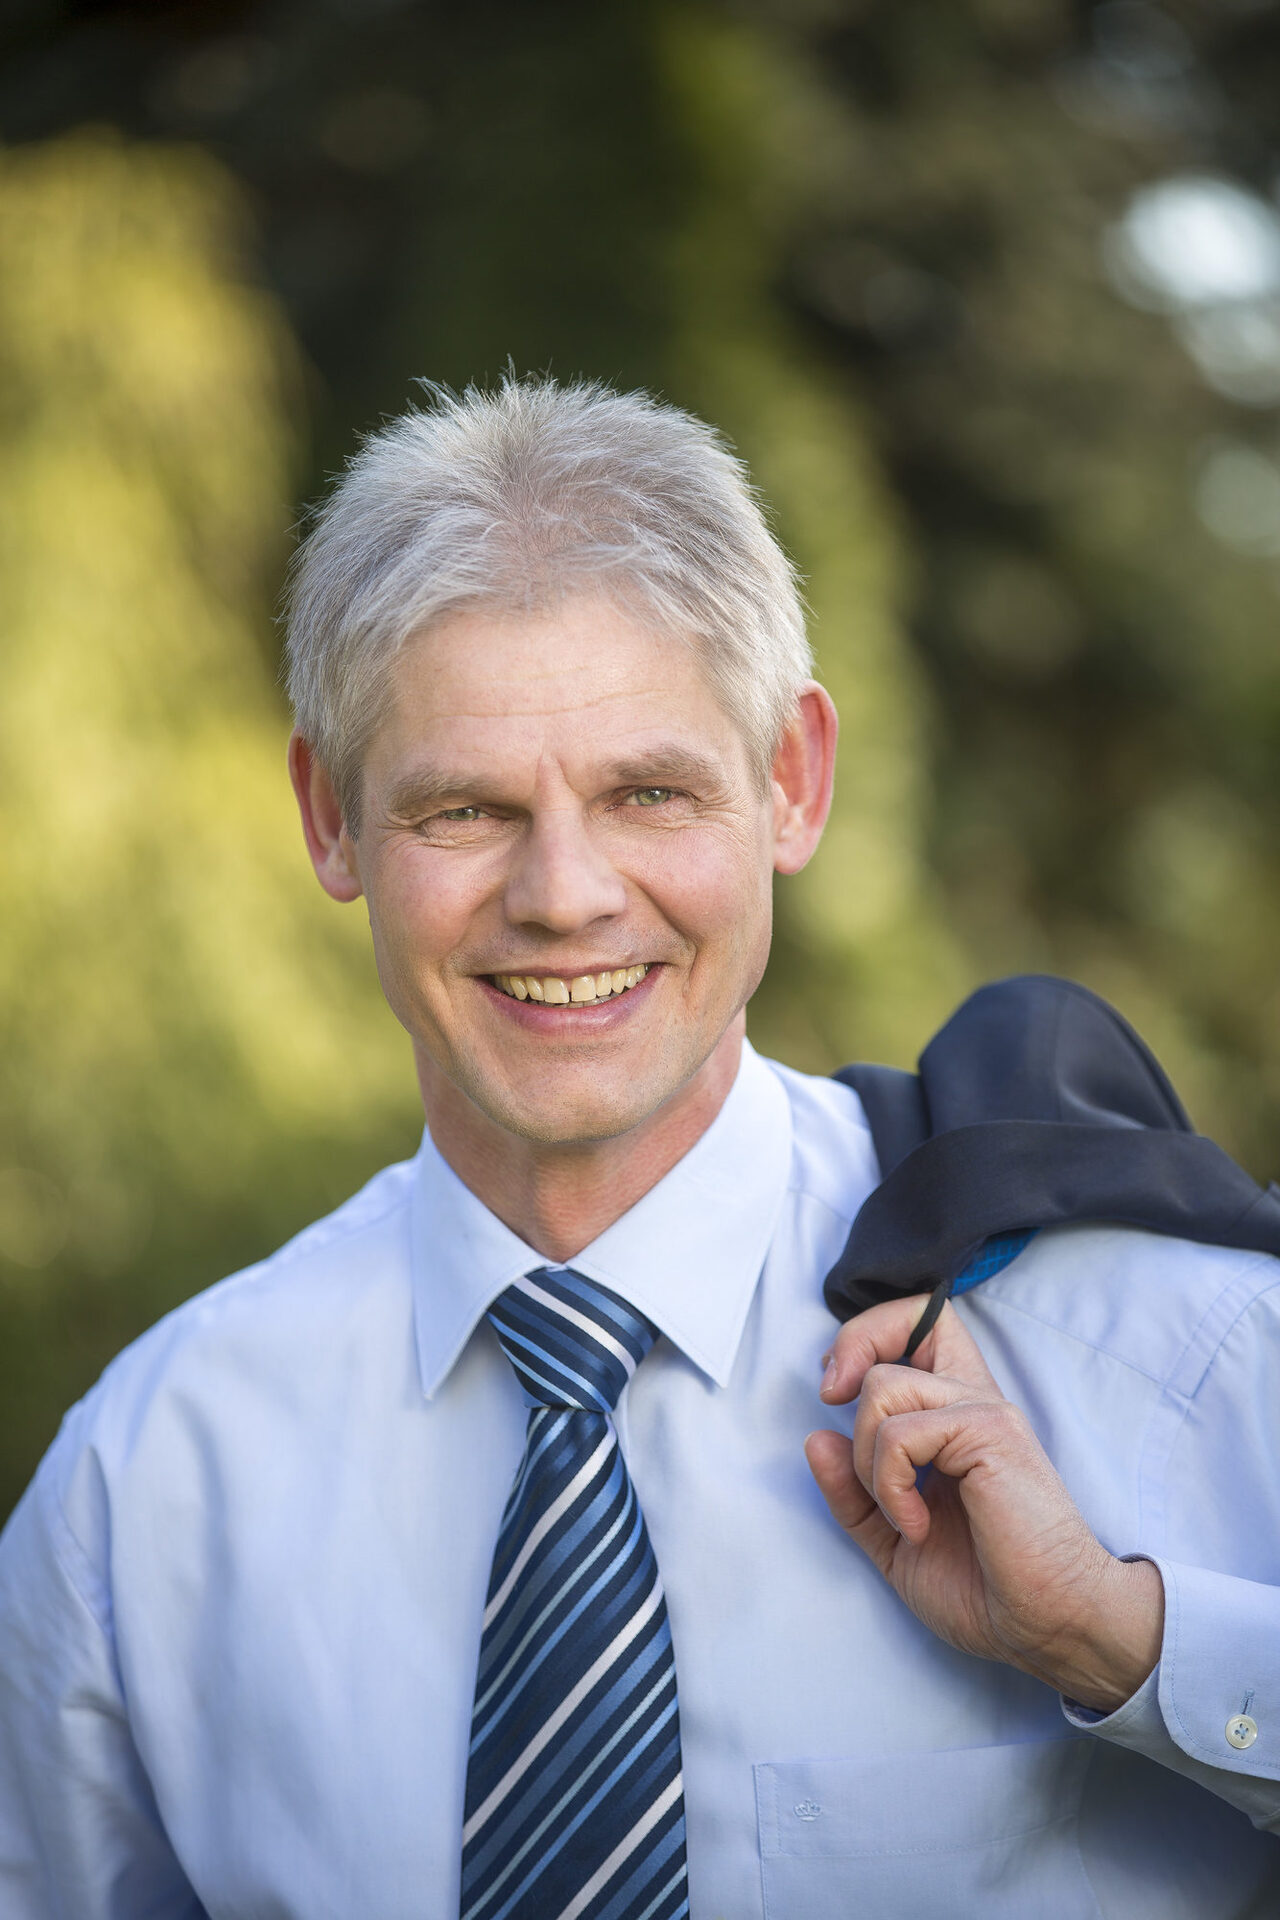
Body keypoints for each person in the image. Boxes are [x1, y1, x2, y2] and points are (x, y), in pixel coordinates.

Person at [0, 375, 1276, 1919]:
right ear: (330, 818)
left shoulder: (1173, 1362)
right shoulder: (145, 1489)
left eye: (648, 792)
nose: (564, 895)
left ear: (792, 783)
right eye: (466, 811)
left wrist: (1127, 1646)